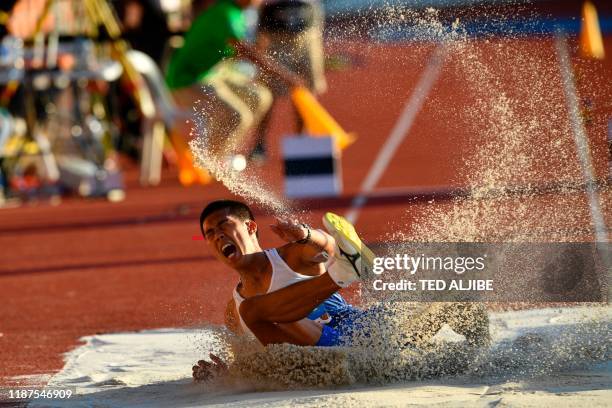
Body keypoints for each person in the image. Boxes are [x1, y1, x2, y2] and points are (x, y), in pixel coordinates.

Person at [192, 200, 490, 382]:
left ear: (251, 227)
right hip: (326, 368)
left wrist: (307, 233)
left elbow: (328, 246)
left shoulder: (289, 256)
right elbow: (248, 359)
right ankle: (343, 273)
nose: (218, 235)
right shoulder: (234, 309)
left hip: (364, 334)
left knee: (449, 291)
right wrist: (224, 375)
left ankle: (481, 354)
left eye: (224, 225)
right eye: (210, 234)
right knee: (251, 311)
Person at [165, 0, 276, 163]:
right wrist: (286, 76)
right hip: (186, 81)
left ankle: (218, 152)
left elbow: (236, 52)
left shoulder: (237, 13)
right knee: (238, 116)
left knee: (260, 96)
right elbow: (244, 51)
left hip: (211, 75)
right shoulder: (225, 14)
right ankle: (210, 163)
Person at [250, 0, 327, 162]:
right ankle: (259, 143)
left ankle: (301, 143)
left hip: (307, 36)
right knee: (268, 94)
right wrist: (260, 46)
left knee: (306, 92)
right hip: (276, 40)